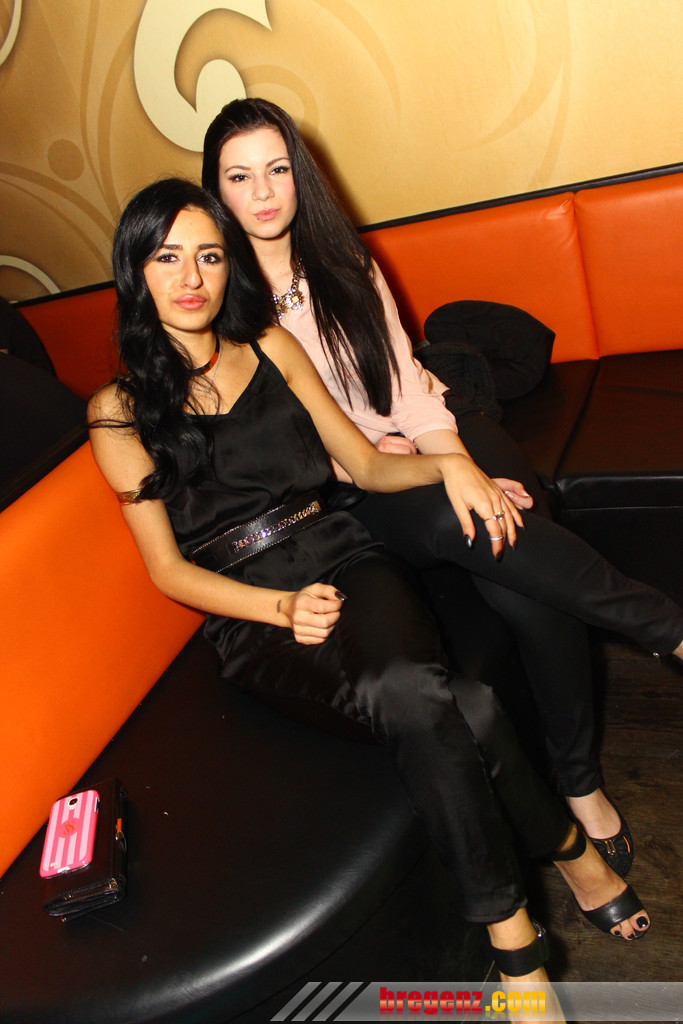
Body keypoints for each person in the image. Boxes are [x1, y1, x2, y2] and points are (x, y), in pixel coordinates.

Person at [89, 180, 650, 1013]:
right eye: (166, 257)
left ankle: (514, 949)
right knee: (466, 705)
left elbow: (365, 464)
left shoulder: (270, 346)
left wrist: (452, 464)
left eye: (208, 255)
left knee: (402, 687)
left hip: (345, 555)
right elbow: (167, 571)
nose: (191, 277)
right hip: (251, 612)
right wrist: (280, 610)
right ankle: (568, 847)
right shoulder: (118, 413)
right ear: (135, 271)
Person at [201, 98, 683, 877]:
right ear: (216, 190)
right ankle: (663, 626)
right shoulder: (218, 305)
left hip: (429, 425)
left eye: (277, 169)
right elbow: (267, 444)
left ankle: (578, 779)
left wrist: (455, 460)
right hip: (348, 481)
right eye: (238, 176)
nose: (261, 192)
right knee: (470, 524)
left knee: (520, 570)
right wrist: (369, 455)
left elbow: (403, 383)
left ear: (300, 175)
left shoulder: (344, 264)